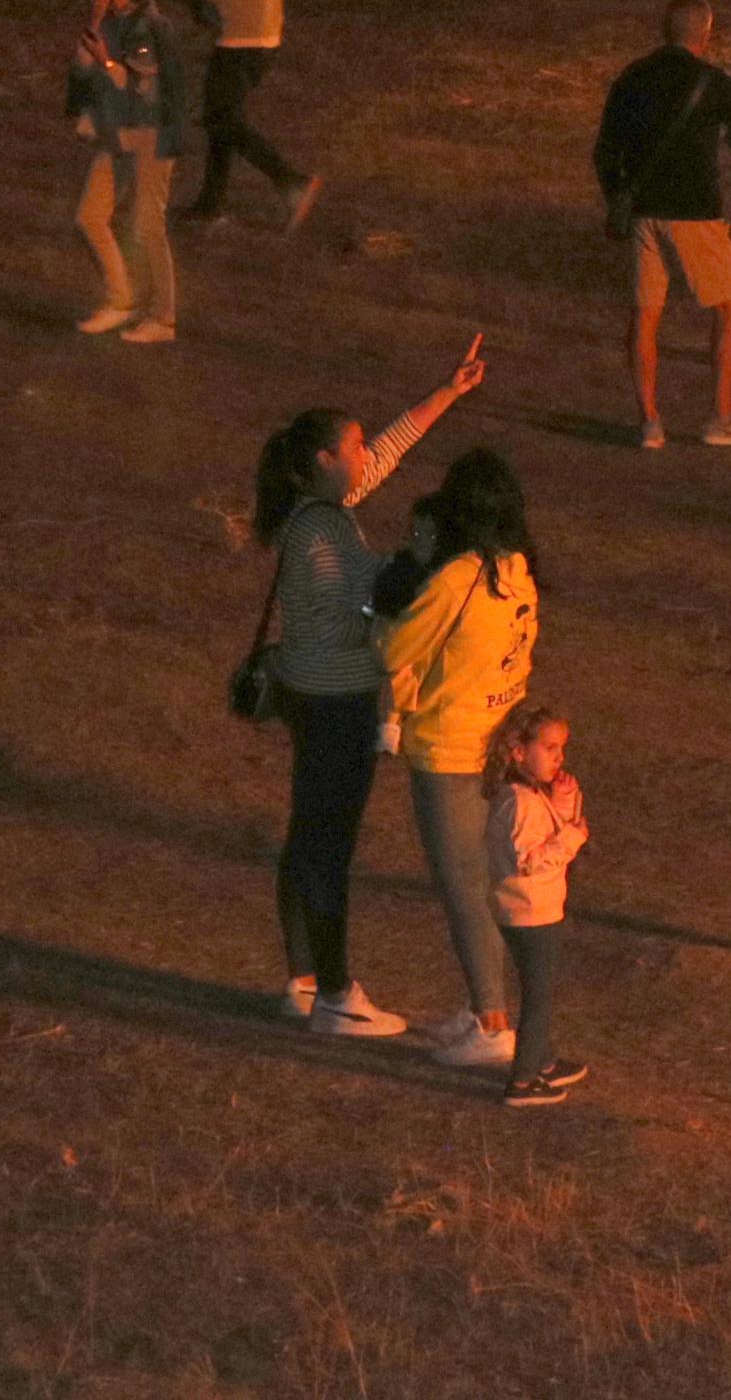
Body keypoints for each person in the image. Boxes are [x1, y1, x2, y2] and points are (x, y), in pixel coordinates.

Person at [248, 340, 490, 1039]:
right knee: (328, 843)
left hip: (311, 690)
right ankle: (334, 992)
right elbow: (369, 600)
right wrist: (423, 562)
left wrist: (448, 390)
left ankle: (301, 979)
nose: (363, 456)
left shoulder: (317, 506)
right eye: (351, 446)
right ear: (324, 460)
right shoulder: (322, 531)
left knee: (308, 835)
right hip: (335, 702)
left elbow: (388, 450)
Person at [373, 448, 547, 1075]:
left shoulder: (458, 577)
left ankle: (493, 1022)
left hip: (449, 747)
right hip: (498, 744)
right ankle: (484, 1009)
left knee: (464, 888)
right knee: (486, 882)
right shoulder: (518, 569)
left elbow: (396, 648)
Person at [591, 0, 731, 449]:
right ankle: (722, 415)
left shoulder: (632, 77)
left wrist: (618, 197)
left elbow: (605, 149)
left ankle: (650, 421)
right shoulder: (710, 81)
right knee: (730, 310)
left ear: (663, 30)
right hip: (694, 212)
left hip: (642, 210)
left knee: (645, 315)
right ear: (705, 33)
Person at [183, 0, 320, 231]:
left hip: (237, 39)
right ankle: (210, 203)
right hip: (268, 37)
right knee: (224, 119)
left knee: (221, 118)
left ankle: (291, 181)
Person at [65, 0, 185, 346]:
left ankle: (164, 319)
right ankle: (121, 299)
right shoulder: (112, 22)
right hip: (117, 133)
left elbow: (138, 87)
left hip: (151, 134)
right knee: (90, 215)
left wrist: (107, 60)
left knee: (147, 226)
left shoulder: (152, 27)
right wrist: (94, 20)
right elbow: (81, 68)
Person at [483, 703, 589, 1107]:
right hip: (532, 912)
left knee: (538, 988)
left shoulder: (526, 796)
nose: (559, 757)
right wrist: (573, 838)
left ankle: (542, 1061)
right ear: (518, 751)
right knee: (539, 995)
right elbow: (528, 860)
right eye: (549, 747)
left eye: (561, 748)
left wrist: (562, 803)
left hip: (528, 909)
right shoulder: (521, 803)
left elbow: (544, 832)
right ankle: (523, 1081)